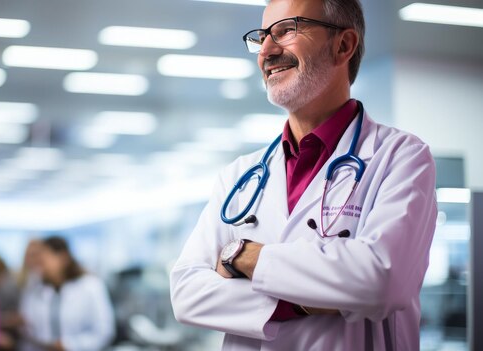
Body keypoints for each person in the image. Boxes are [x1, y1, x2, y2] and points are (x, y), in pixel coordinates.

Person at [169, 0, 438, 350]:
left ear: (343, 45)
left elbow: (381, 280)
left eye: (286, 30)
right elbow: (188, 293)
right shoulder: (239, 176)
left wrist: (243, 256)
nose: (266, 49)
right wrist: (299, 301)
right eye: (263, 35)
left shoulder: (401, 157)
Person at [19, 236, 115, 351]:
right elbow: (27, 329)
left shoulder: (90, 286)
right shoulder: (34, 289)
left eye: (44, 261)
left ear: (63, 258)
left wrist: (70, 345)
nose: (40, 266)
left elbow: (104, 331)